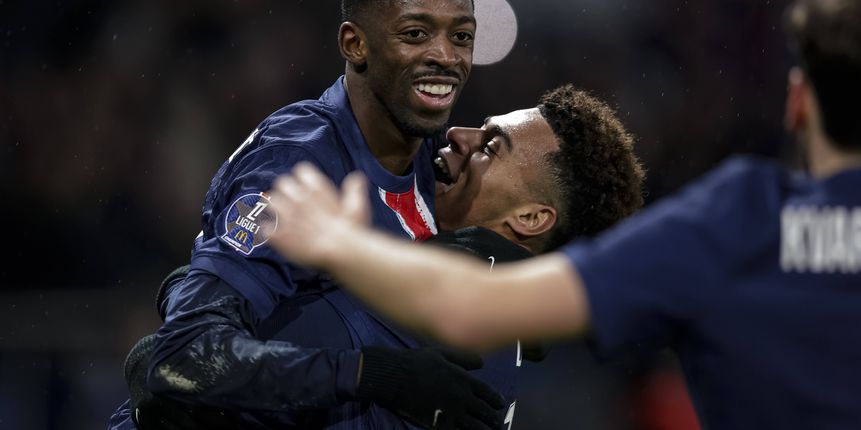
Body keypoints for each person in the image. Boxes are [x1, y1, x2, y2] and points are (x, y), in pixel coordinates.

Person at [267, 0, 861, 429]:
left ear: (797, 102)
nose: (459, 135)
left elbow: (468, 308)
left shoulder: (741, 219)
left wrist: (335, 239)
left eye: (494, 145)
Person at [108, 0, 503, 430]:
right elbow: (184, 355)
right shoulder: (300, 165)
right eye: (415, 33)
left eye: (461, 37)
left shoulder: (430, 157)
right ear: (354, 44)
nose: (445, 55)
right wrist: (372, 374)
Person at [114, 84, 646, 428]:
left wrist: (188, 287)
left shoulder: (446, 299)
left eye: (490, 147)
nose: (458, 135)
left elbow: (183, 367)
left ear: (530, 218)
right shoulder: (499, 317)